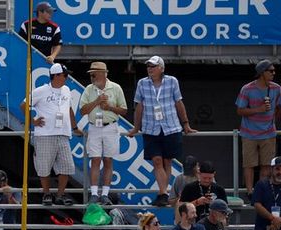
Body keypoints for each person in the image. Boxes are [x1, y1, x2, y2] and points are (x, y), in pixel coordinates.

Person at [127, 56, 196, 207]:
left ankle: (163, 193)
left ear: (161, 68)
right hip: (150, 127)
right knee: (157, 160)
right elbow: (139, 106)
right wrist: (136, 127)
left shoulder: (172, 81)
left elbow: (178, 102)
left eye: (153, 66)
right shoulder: (142, 83)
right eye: (148, 66)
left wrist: (186, 124)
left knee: (167, 161)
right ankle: (163, 192)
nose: (150, 69)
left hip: (171, 126)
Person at [22, 63, 83, 206]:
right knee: (44, 167)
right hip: (45, 134)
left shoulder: (67, 90)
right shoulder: (41, 90)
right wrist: (33, 121)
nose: (67, 78)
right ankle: (46, 194)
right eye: (65, 75)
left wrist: (74, 127)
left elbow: (69, 110)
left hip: (63, 133)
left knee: (67, 166)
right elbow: (24, 104)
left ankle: (60, 194)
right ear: (56, 76)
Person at [79, 61, 127, 205]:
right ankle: (94, 193)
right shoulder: (89, 89)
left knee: (108, 160)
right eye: (90, 74)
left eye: (94, 74)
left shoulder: (116, 88)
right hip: (94, 127)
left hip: (110, 127)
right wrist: (97, 101)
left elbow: (124, 110)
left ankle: (105, 194)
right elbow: (82, 111)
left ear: (103, 74)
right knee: (95, 160)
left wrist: (110, 107)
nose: (92, 76)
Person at [236, 60, 281, 198]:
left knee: (266, 164)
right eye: (271, 71)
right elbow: (240, 110)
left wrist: (273, 120)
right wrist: (259, 109)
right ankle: (250, 191)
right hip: (249, 132)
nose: (274, 73)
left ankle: (261, 190)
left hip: (268, 133)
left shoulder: (277, 88)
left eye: (274, 71)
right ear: (262, 73)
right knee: (249, 164)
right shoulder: (247, 89)